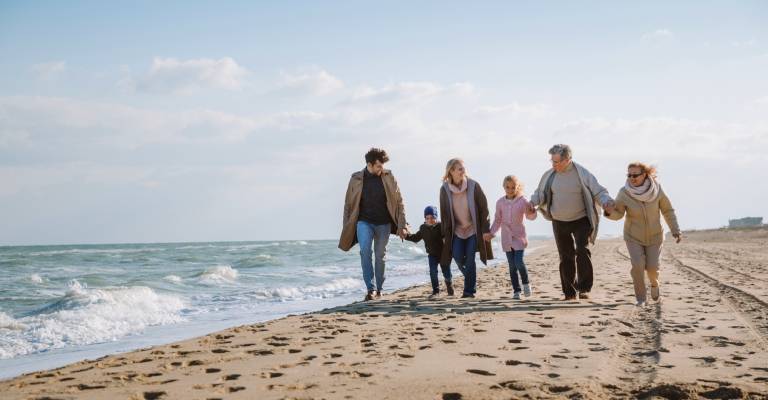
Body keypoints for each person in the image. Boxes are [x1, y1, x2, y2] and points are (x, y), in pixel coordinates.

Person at [529, 144, 614, 301]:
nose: (553, 165)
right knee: (565, 256)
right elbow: (539, 194)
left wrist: (606, 201)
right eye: (552, 161)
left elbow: (599, 191)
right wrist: (531, 203)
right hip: (559, 221)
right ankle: (569, 293)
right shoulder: (550, 175)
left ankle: (584, 288)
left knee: (582, 250)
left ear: (567, 160)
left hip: (581, 219)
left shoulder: (581, 173)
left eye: (557, 162)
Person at [605, 162, 682, 306]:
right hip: (633, 236)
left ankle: (654, 284)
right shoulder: (624, 192)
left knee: (652, 268)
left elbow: (667, 210)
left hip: (655, 236)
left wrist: (675, 230)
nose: (632, 178)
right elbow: (618, 214)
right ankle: (641, 299)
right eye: (629, 175)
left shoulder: (657, 190)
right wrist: (609, 212)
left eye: (635, 175)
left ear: (645, 175)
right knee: (638, 265)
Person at [339, 148, 408, 301]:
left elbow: (399, 202)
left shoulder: (389, 177)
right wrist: (346, 226)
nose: (381, 168)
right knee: (365, 251)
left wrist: (402, 224)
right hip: (364, 222)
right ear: (369, 165)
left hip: (384, 223)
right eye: (378, 166)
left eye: (382, 165)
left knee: (380, 255)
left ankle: (379, 289)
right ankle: (370, 289)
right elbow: (348, 204)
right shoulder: (356, 179)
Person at [439, 158, 493, 298]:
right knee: (456, 255)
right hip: (456, 231)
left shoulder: (474, 186)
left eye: (464, 168)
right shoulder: (444, 189)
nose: (463, 171)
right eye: (460, 169)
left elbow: (484, 209)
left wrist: (485, 229)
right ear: (451, 171)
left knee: (470, 259)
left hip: (473, 229)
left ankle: (469, 291)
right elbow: (444, 214)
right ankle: (470, 276)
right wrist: (444, 234)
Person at [484, 175, 537, 300]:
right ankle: (516, 291)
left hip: (519, 237)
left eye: (513, 187)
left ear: (517, 187)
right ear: (504, 187)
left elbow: (529, 216)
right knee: (512, 266)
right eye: (508, 187)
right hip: (506, 238)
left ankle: (526, 283)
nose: (510, 190)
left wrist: (532, 211)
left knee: (519, 262)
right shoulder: (500, 203)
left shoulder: (523, 201)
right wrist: (492, 233)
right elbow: (497, 220)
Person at [405, 206, 454, 297]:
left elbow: (447, 238)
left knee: (446, 272)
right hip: (432, 254)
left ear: (436, 217)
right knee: (432, 271)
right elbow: (415, 238)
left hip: (444, 254)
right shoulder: (423, 228)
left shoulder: (441, 226)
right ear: (425, 218)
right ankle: (436, 291)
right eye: (427, 218)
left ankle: (449, 285)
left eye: (432, 218)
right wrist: (405, 235)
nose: (430, 220)